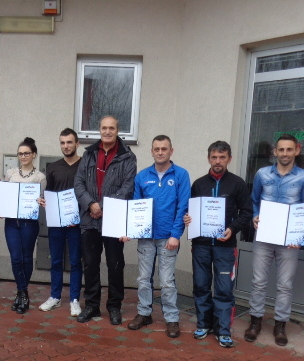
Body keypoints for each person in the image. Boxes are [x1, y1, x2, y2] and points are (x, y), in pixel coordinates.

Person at [246, 133, 304, 346]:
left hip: (289, 240)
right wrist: (255, 216)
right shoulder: (262, 173)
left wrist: (301, 236)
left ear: (297, 150)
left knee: (285, 284)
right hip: (264, 236)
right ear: (275, 151)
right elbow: (254, 200)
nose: (285, 153)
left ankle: (280, 325)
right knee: (258, 281)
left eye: (289, 149)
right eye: (281, 149)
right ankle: (255, 321)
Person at [184, 141, 253, 347]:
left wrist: (232, 228)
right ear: (208, 158)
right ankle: (203, 324)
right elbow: (191, 211)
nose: (218, 161)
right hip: (201, 245)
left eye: (222, 157)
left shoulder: (237, 183)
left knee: (224, 288)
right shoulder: (199, 184)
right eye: (214, 157)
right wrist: (188, 218)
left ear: (229, 159)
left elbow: (247, 212)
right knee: (201, 285)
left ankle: (223, 330)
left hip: (226, 246)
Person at [122, 135, 190, 338]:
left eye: (164, 149)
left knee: (167, 281)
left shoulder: (181, 175)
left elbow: (183, 206)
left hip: (168, 238)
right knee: (144, 279)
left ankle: (171, 318)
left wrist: (176, 235)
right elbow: (136, 206)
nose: (160, 152)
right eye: (157, 149)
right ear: (152, 151)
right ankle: (144, 313)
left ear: (171, 151)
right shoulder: (142, 176)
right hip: (146, 238)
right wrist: (130, 230)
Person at [74, 115, 137, 325]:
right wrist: (90, 204)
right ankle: (92, 305)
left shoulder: (128, 157)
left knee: (115, 265)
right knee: (90, 265)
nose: (107, 131)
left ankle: (114, 306)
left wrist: (102, 206)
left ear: (118, 131)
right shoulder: (89, 154)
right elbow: (78, 183)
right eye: (104, 128)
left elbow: (128, 187)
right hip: (89, 218)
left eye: (111, 128)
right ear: (99, 130)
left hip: (114, 219)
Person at [37, 128, 83, 317]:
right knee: (55, 260)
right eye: (62, 143)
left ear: (77, 143)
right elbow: (50, 192)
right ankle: (55, 296)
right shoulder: (53, 167)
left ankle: (74, 299)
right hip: (56, 223)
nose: (66, 146)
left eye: (69, 142)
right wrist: (43, 200)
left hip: (76, 223)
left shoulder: (85, 165)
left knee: (75, 261)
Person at [3, 137, 46, 314]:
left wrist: (40, 201)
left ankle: (21, 294)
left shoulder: (40, 177)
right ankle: (23, 292)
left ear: (34, 154)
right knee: (15, 258)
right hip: (11, 222)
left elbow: (41, 199)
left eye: (26, 153)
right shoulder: (10, 173)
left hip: (29, 222)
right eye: (20, 154)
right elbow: (5, 196)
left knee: (26, 258)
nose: (23, 156)